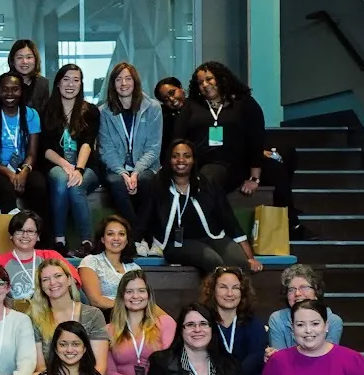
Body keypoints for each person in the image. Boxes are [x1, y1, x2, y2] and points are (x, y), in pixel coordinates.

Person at [135, 139, 264, 273]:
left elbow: (230, 222)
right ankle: (217, 293)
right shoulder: (158, 186)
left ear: (194, 160)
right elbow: (143, 219)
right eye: (175, 156)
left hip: (212, 237)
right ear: (169, 160)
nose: (181, 160)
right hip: (176, 243)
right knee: (213, 261)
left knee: (240, 263)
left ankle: (236, 293)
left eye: (187, 156)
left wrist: (250, 258)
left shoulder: (207, 185)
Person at [183, 61, 282, 203]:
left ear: (222, 79)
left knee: (208, 180)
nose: (205, 84)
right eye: (200, 82)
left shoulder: (244, 104)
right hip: (198, 163)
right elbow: (179, 137)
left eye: (209, 79)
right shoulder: (191, 105)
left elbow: (256, 141)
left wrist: (254, 178)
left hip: (232, 165)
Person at [39, 63, 103, 256]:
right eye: (66, 79)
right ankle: (59, 240)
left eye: (76, 80)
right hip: (56, 163)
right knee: (60, 179)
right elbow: (46, 148)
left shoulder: (90, 111)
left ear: (81, 84)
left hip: (87, 166)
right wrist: (67, 165)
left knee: (76, 186)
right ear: (58, 83)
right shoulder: (46, 111)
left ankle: (87, 242)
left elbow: (87, 143)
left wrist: (79, 170)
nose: (70, 84)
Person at [99, 61, 164, 225]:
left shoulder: (153, 108)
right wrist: (122, 173)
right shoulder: (104, 112)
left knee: (146, 182)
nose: (124, 83)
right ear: (113, 84)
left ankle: (141, 235)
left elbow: (153, 148)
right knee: (116, 183)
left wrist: (135, 173)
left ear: (135, 82)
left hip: (146, 167)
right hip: (116, 168)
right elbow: (106, 150)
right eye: (118, 79)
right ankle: (137, 235)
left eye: (128, 78)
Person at [0, 72, 47, 219]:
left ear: (22, 91)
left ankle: (38, 231)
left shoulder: (31, 115)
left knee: (39, 186)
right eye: (5, 89)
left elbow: (32, 153)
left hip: (23, 166)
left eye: (15, 89)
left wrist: (23, 172)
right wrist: (10, 173)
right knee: (5, 187)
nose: (10, 93)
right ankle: (12, 229)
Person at [28, 258, 111, 372]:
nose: (52, 282)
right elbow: (41, 368)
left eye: (58, 276)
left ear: (69, 280)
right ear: (41, 287)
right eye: (45, 279)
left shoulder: (93, 315)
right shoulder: (35, 318)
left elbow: (99, 367)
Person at [200, 266, 269, 375]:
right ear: (212, 290)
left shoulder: (252, 322)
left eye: (236, 288)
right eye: (223, 287)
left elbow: (256, 356)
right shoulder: (202, 320)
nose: (230, 293)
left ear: (242, 292)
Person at [106, 270, 174, 375]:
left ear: (148, 295)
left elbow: (170, 363)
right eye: (129, 291)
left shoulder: (165, 323)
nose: (135, 296)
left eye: (141, 291)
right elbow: (109, 371)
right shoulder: (109, 330)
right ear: (122, 296)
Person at [0, 208, 73, 304]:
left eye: (30, 231)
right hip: (16, 316)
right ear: (11, 235)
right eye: (19, 231)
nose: (25, 235)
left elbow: (73, 281)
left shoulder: (50, 256)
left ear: (38, 236)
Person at [266, 264, 345, 351]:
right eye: (291, 289)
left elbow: (327, 357)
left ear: (316, 291)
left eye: (303, 287)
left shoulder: (333, 321)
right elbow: (280, 359)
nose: (297, 294)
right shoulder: (277, 319)